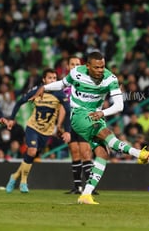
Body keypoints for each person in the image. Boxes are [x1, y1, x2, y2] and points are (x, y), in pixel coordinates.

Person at [30, 51, 149, 204]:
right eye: (97, 67)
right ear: (87, 66)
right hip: (79, 115)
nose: (100, 70)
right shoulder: (77, 73)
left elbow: (119, 105)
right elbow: (63, 83)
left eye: (102, 66)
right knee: (106, 134)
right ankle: (138, 154)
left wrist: (102, 112)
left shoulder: (110, 79)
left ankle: (86, 195)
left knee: (102, 153)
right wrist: (45, 87)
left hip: (96, 115)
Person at [5, 68, 71, 193]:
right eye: (50, 78)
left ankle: (14, 176)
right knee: (32, 150)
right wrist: (12, 119)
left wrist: (67, 130)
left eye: (54, 78)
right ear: (44, 80)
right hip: (32, 127)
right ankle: (23, 182)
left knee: (31, 155)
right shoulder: (36, 90)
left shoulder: (60, 94)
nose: (52, 80)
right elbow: (19, 102)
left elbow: (68, 112)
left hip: (46, 132)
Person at [64, 56, 95, 195]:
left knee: (85, 152)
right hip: (69, 123)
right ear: (68, 66)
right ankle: (77, 187)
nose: (75, 66)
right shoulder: (64, 85)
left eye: (77, 64)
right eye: (72, 64)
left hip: (83, 121)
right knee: (75, 152)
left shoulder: (86, 82)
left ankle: (90, 187)